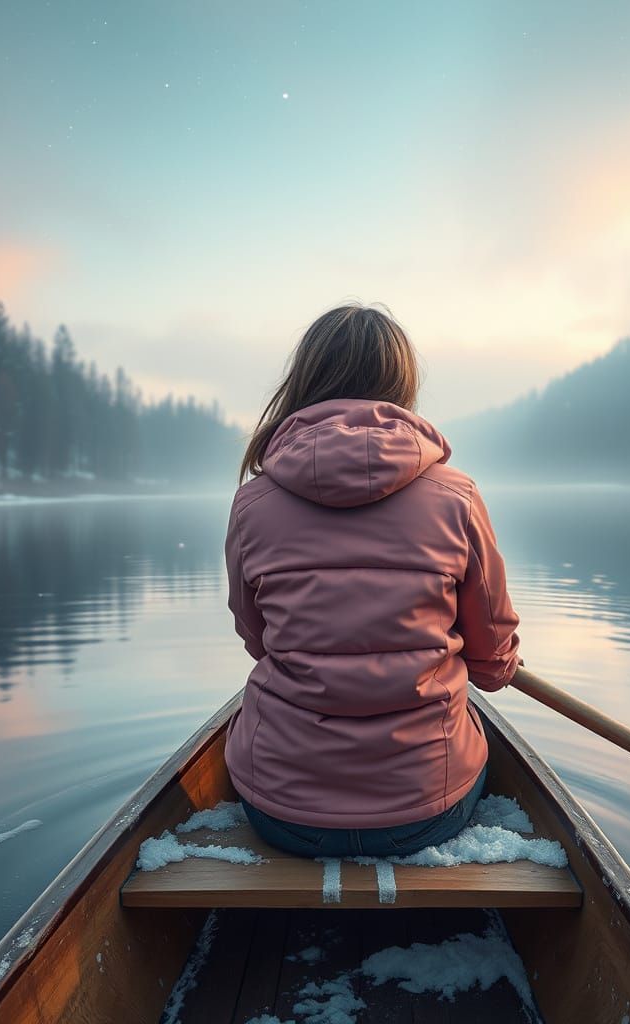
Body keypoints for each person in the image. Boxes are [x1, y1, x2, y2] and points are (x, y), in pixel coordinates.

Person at [223, 302, 523, 858]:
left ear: (304, 380)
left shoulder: (252, 503)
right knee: (469, 729)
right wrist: (497, 663)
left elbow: (257, 639)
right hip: (425, 814)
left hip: (284, 815)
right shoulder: (457, 497)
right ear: (401, 384)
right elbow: (491, 664)